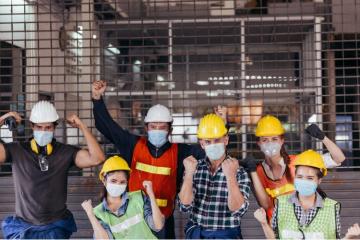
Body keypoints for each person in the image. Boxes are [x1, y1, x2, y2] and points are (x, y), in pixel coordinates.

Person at [91, 80, 226, 238]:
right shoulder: (132, 145)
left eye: (162, 127)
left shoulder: (181, 152)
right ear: (146, 128)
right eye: (153, 126)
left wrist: (221, 125)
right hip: (133, 220)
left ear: (170, 130)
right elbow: (107, 127)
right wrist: (97, 99)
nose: (157, 130)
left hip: (164, 221)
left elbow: (211, 150)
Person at [0, 101, 105, 239]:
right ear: (32, 126)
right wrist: (2, 120)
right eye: (39, 127)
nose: (43, 131)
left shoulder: (65, 152)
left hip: (55, 229)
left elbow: (97, 158)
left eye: (48, 127)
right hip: (24, 229)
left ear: (54, 127)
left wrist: (82, 126)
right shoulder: (16, 150)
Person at [245, 115, 346, 220]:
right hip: (278, 231)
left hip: (305, 227)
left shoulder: (299, 162)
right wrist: (253, 172)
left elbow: (339, 158)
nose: (270, 143)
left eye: (274, 139)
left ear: (282, 140)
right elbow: (266, 205)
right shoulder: (258, 172)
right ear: (259, 143)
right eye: (265, 140)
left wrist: (323, 138)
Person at [178, 114, 250, 239]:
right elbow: (184, 206)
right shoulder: (194, 168)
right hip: (197, 234)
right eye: (208, 141)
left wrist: (230, 176)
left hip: (226, 235)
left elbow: (238, 210)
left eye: (217, 140)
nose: (212, 145)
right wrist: (189, 173)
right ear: (202, 144)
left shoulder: (239, 172)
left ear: (226, 140)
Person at [254, 150, 341, 239]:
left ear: (319, 180)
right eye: (299, 177)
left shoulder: (331, 207)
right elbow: (274, 238)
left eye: (310, 178)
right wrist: (264, 223)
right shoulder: (281, 203)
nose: (304, 181)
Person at [81, 155, 164, 239]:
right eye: (113, 181)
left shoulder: (139, 197)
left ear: (127, 182)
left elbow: (158, 225)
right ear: (104, 180)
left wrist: (151, 195)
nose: (118, 185)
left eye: (122, 182)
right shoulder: (99, 213)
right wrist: (90, 214)